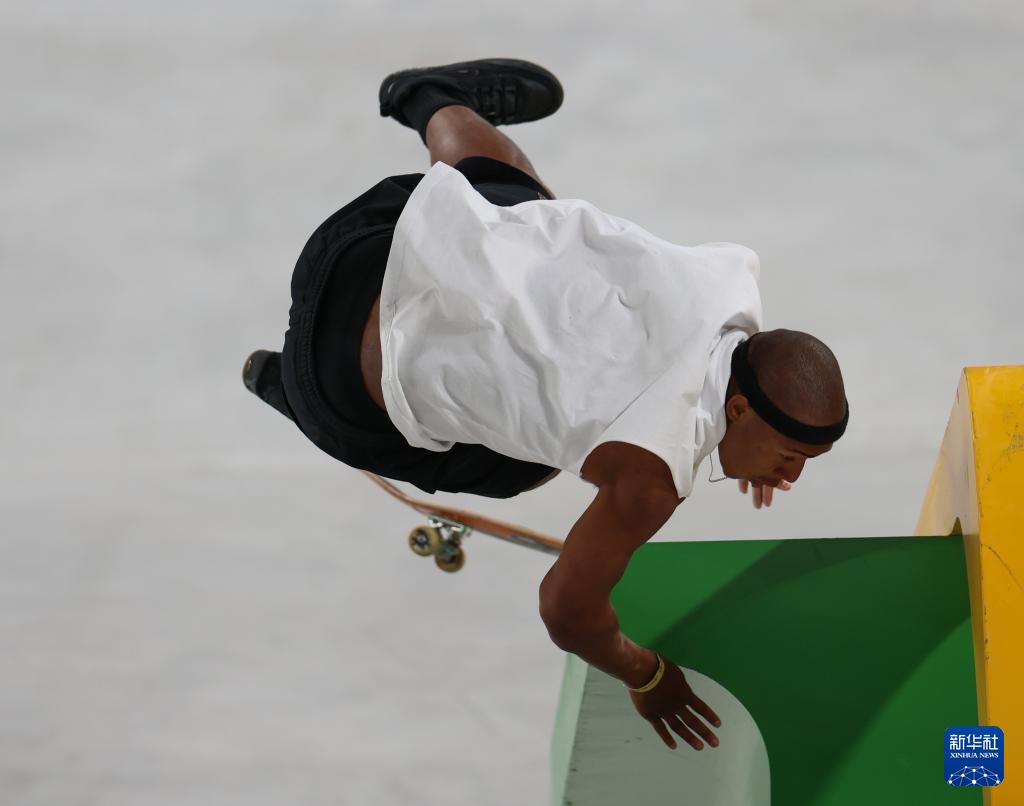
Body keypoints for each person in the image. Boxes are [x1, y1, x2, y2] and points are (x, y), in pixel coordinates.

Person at [243, 58, 849, 753]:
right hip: (337, 390)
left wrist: (750, 443)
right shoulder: (650, 478)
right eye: (792, 456)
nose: (791, 475)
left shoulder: (732, 280)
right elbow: (566, 612)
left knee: (520, 205)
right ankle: (283, 391)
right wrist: (647, 675)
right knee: (526, 467)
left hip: (363, 241)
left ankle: (429, 99)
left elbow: (735, 381)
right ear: (738, 411)